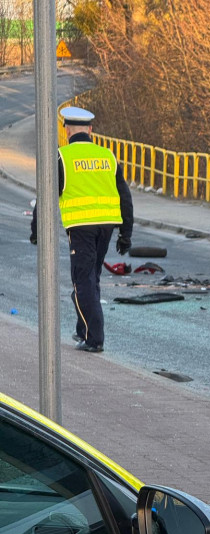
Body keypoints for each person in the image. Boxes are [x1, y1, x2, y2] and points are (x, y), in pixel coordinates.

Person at [31, 106, 133, 352]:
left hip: (81, 227)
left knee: (82, 281)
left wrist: (36, 230)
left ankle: (94, 339)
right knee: (90, 278)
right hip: (107, 226)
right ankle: (83, 330)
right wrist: (125, 233)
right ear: (90, 130)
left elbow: (45, 198)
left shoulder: (62, 157)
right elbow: (125, 195)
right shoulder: (107, 156)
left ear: (66, 130)